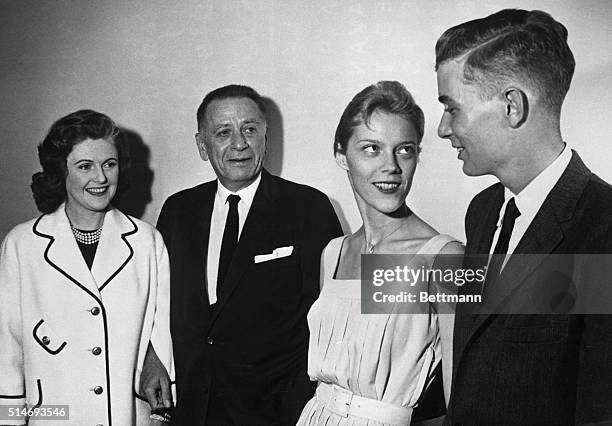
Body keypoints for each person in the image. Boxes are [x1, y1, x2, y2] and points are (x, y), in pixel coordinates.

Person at [435, 9, 612, 424]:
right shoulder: (481, 212)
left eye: (452, 108)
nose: (443, 129)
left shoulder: (604, 228)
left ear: (512, 106)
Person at [149, 84, 342, 425]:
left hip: (275, 412)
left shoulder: (308, 208)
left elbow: (332, 317)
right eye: (223, 132)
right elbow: (157, 303)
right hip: (192, 406)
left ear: (265, 138)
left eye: (249, 129)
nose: (239, 143)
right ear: (202, 145)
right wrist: (152, 359)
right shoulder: (178, 211)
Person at [297, 81, 463, 425]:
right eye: (371, 148)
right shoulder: (333, 253)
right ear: (341, 155)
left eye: (404, 150)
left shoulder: (443, 257)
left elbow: (462, 397)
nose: (391, 166)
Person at [0, 109, 173, 425]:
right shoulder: (22, 244)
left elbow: (162, 339)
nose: (101, 178)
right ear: (59, 172)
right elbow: (6, 353)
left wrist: (160, 416)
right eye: (85, 166)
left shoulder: (147, 242)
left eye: (109, 164)